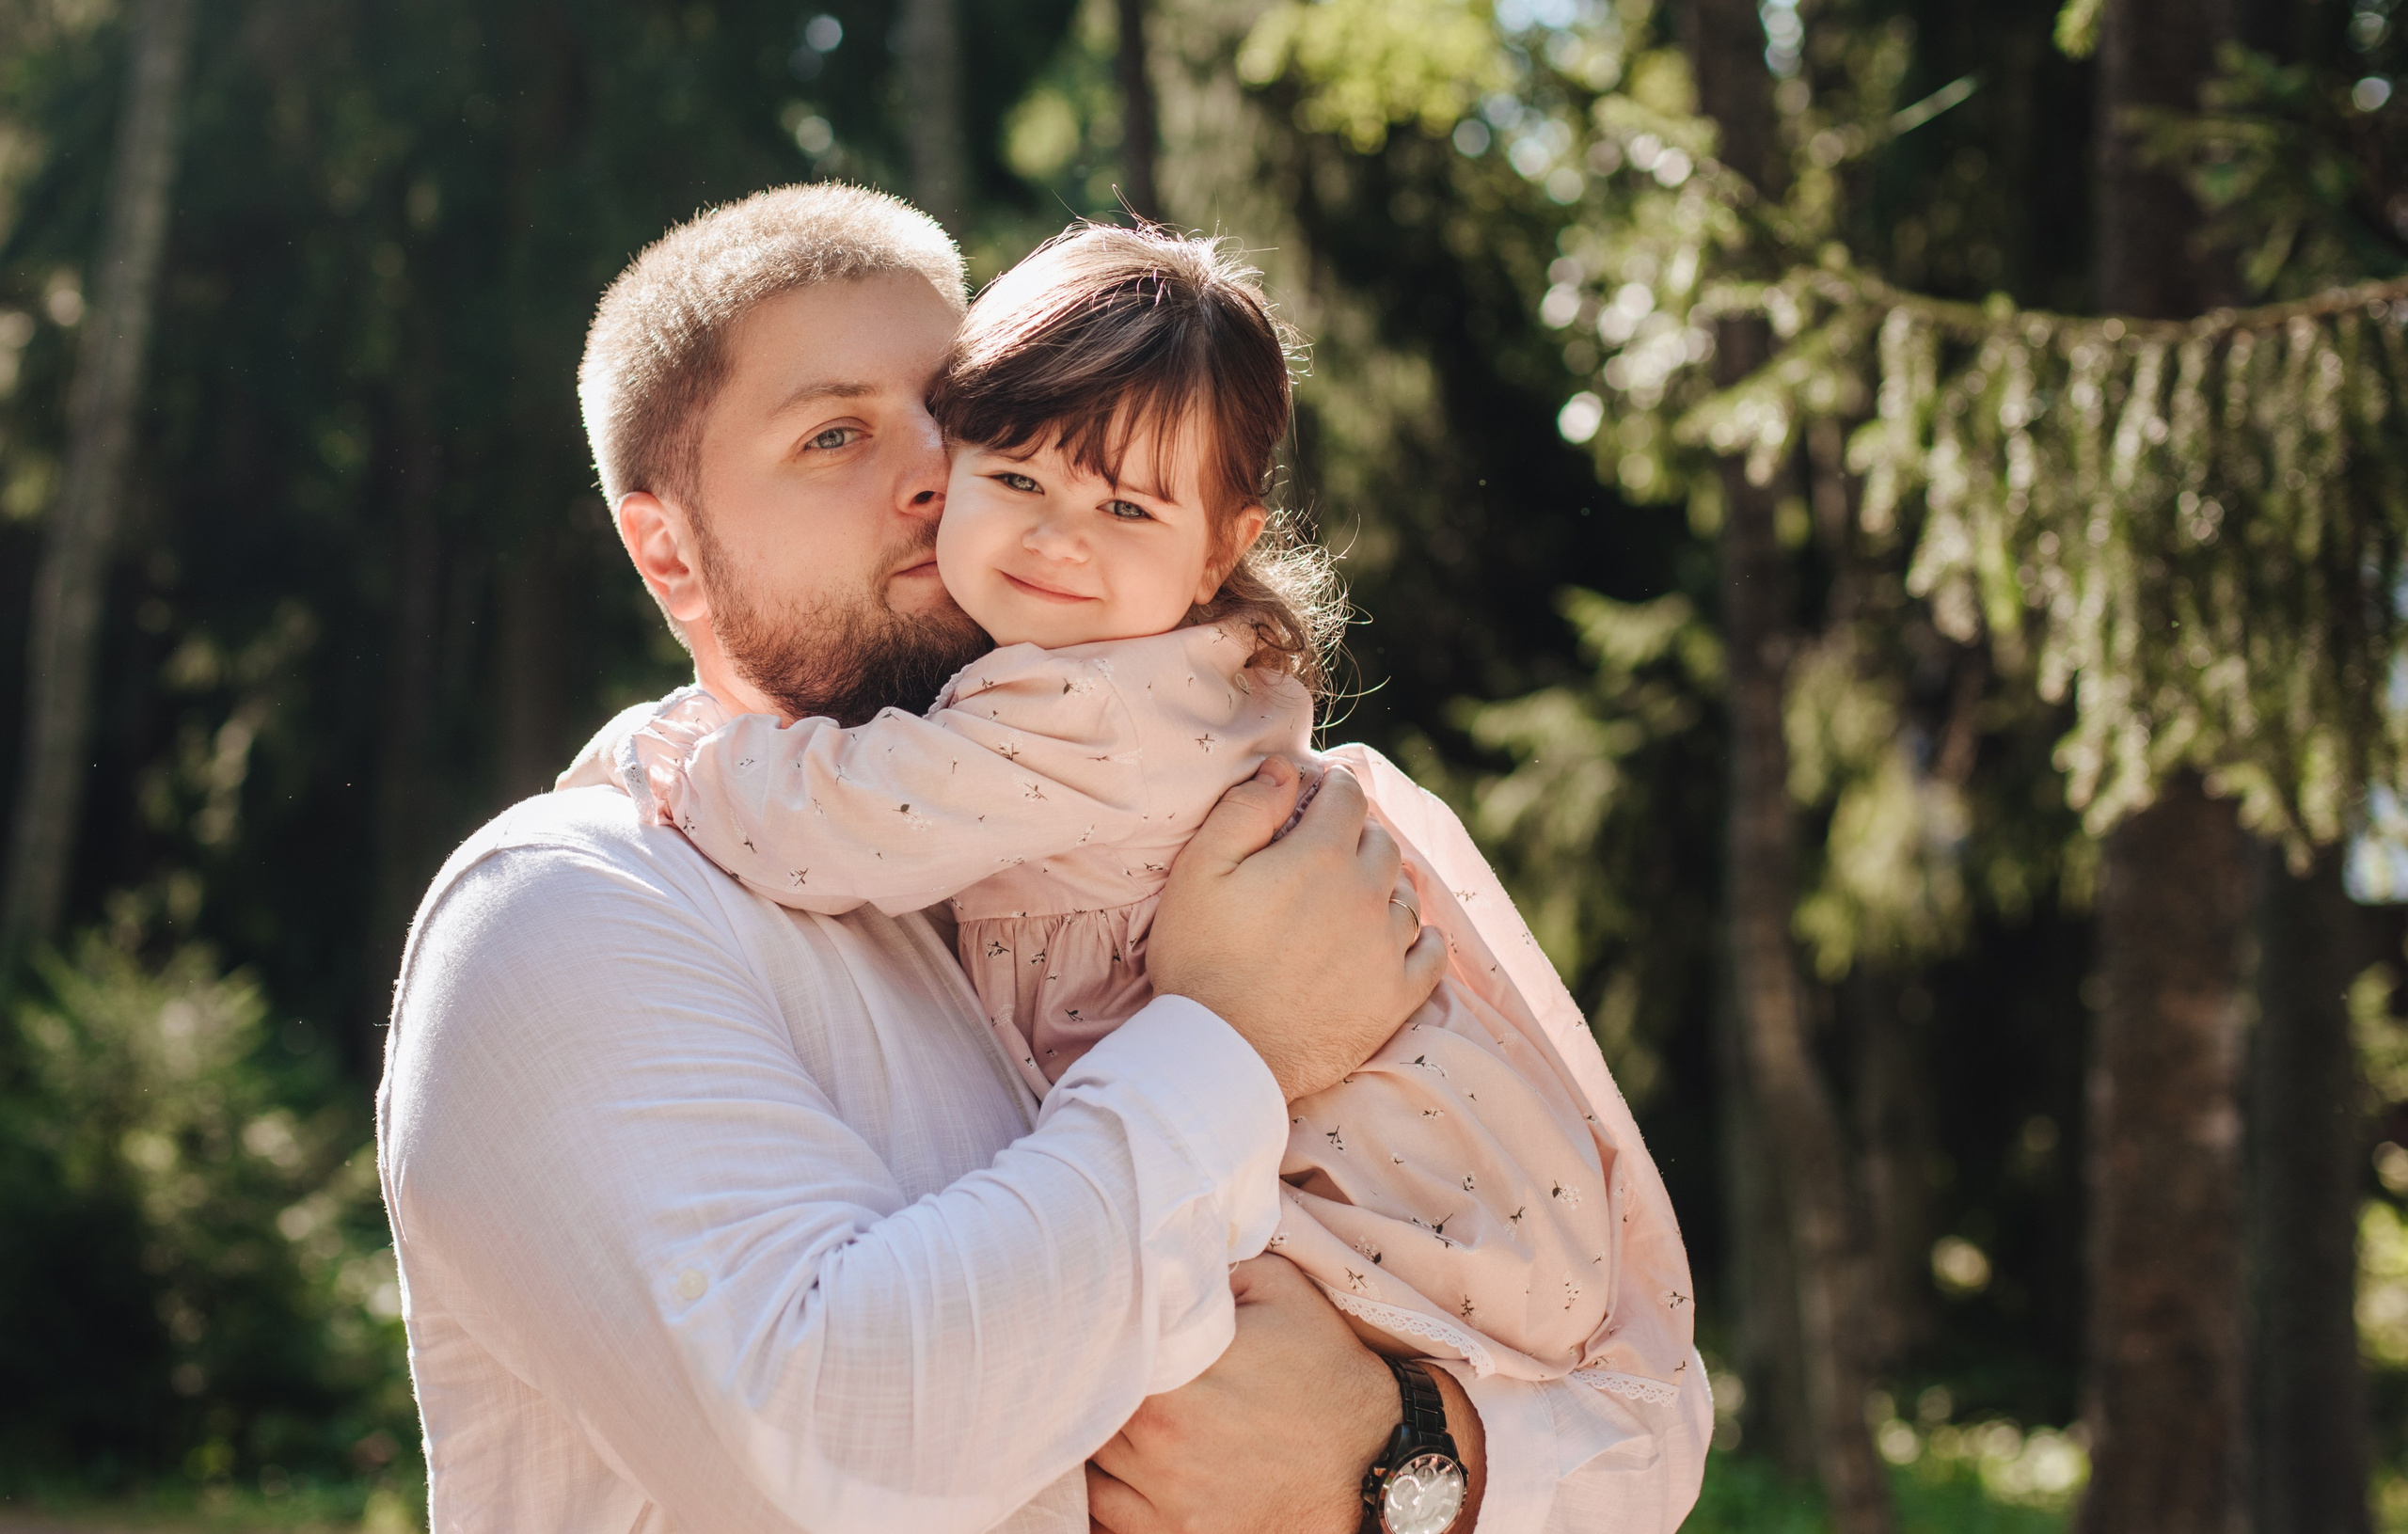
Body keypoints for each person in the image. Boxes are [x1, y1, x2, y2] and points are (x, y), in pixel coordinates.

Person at [376, 182, 1710, 1534]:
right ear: (667, 553)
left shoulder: (1266, 832)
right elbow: (839, 1458)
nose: (932, 474)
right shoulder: (565, 908)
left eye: (955, 414)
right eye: (834, 434)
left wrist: (1409, 1458)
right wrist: (1237, 1043)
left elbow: (1648, 1423)